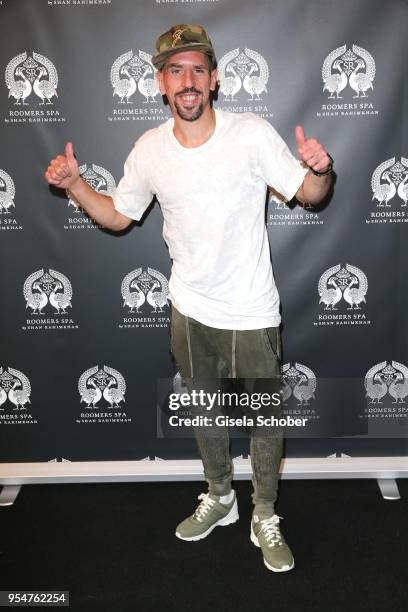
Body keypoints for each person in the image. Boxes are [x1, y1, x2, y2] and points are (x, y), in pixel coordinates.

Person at [45, 24, 333, 573]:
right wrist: (76, 186)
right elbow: (118, 216)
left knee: (265, 419)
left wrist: (322, 170)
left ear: (216, 78)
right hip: (189, 309)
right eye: (176, 70)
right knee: (205, 411)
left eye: (198, 69)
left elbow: (310, 194)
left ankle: (264, 511)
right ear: (160, 84)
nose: (188, 80)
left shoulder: (250, 134)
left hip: (251, 308)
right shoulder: (149, 149)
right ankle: (221, 496)